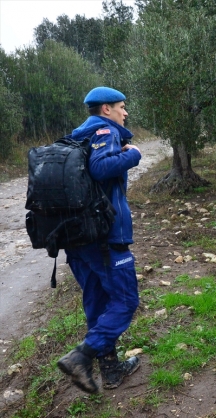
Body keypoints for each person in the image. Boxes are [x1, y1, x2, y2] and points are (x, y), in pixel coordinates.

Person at [57, 86, 143, 393]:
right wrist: (133, 154)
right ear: (105, 109)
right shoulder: (106, 130)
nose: (125, 112)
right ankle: (82, 356)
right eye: (121, 106)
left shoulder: (76, 136)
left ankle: (110, 370)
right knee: (124, 300)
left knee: (97, 302)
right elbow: (101, 167)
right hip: (104, 239)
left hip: (76, 239)